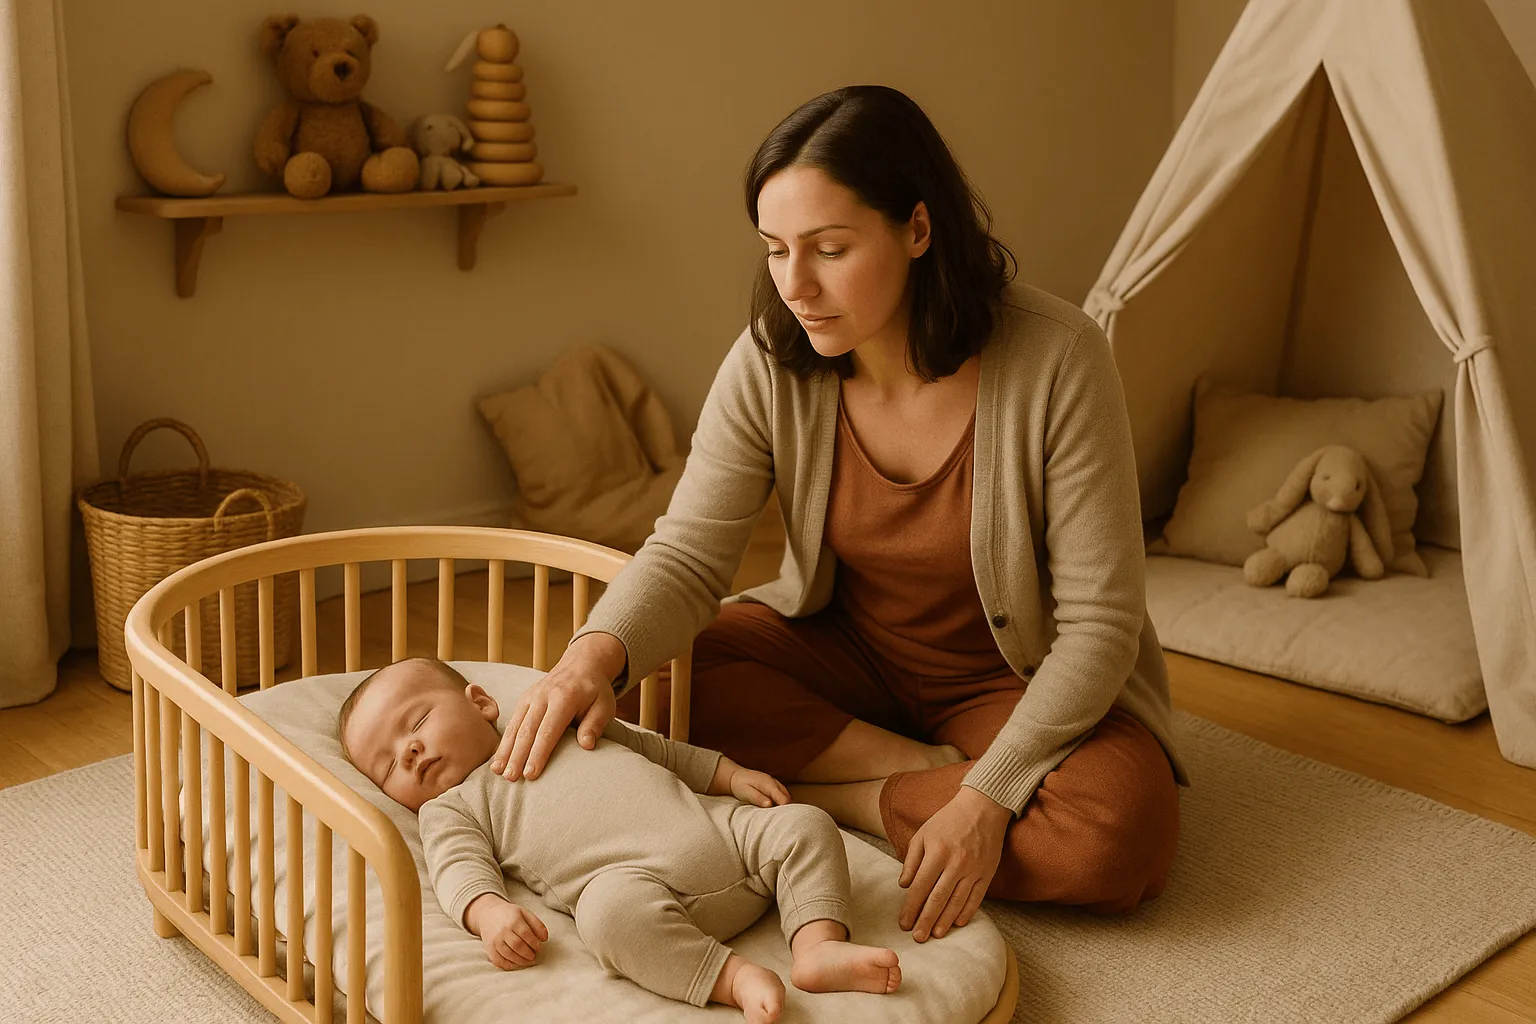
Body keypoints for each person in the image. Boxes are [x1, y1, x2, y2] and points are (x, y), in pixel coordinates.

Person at [491, 84, 1190, 944]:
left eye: (828, 248)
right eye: (776, 249)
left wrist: (985, 796)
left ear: (918, 230)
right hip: (847, 650)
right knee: (650, 681)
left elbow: (1100, 626)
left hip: (1015, 677)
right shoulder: (769, 361)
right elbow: (687, 556)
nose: (795, 285)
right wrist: (586, 663)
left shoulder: (1059, 358)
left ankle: (837, 797)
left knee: (1118, 831)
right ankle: (903, 774)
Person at [339, 657, 900, 1024]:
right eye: (388, 767)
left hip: (721, 833)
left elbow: (659, 749)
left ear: (481, 703)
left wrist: (729, 775)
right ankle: (731, 977)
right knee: (607, 918)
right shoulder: (453, 807)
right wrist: (488, 915)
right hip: (637, 890)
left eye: (415, 723)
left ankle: (815, 945)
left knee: (804, 824)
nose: (408, 753)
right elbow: (457, 870)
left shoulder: (550, 720)